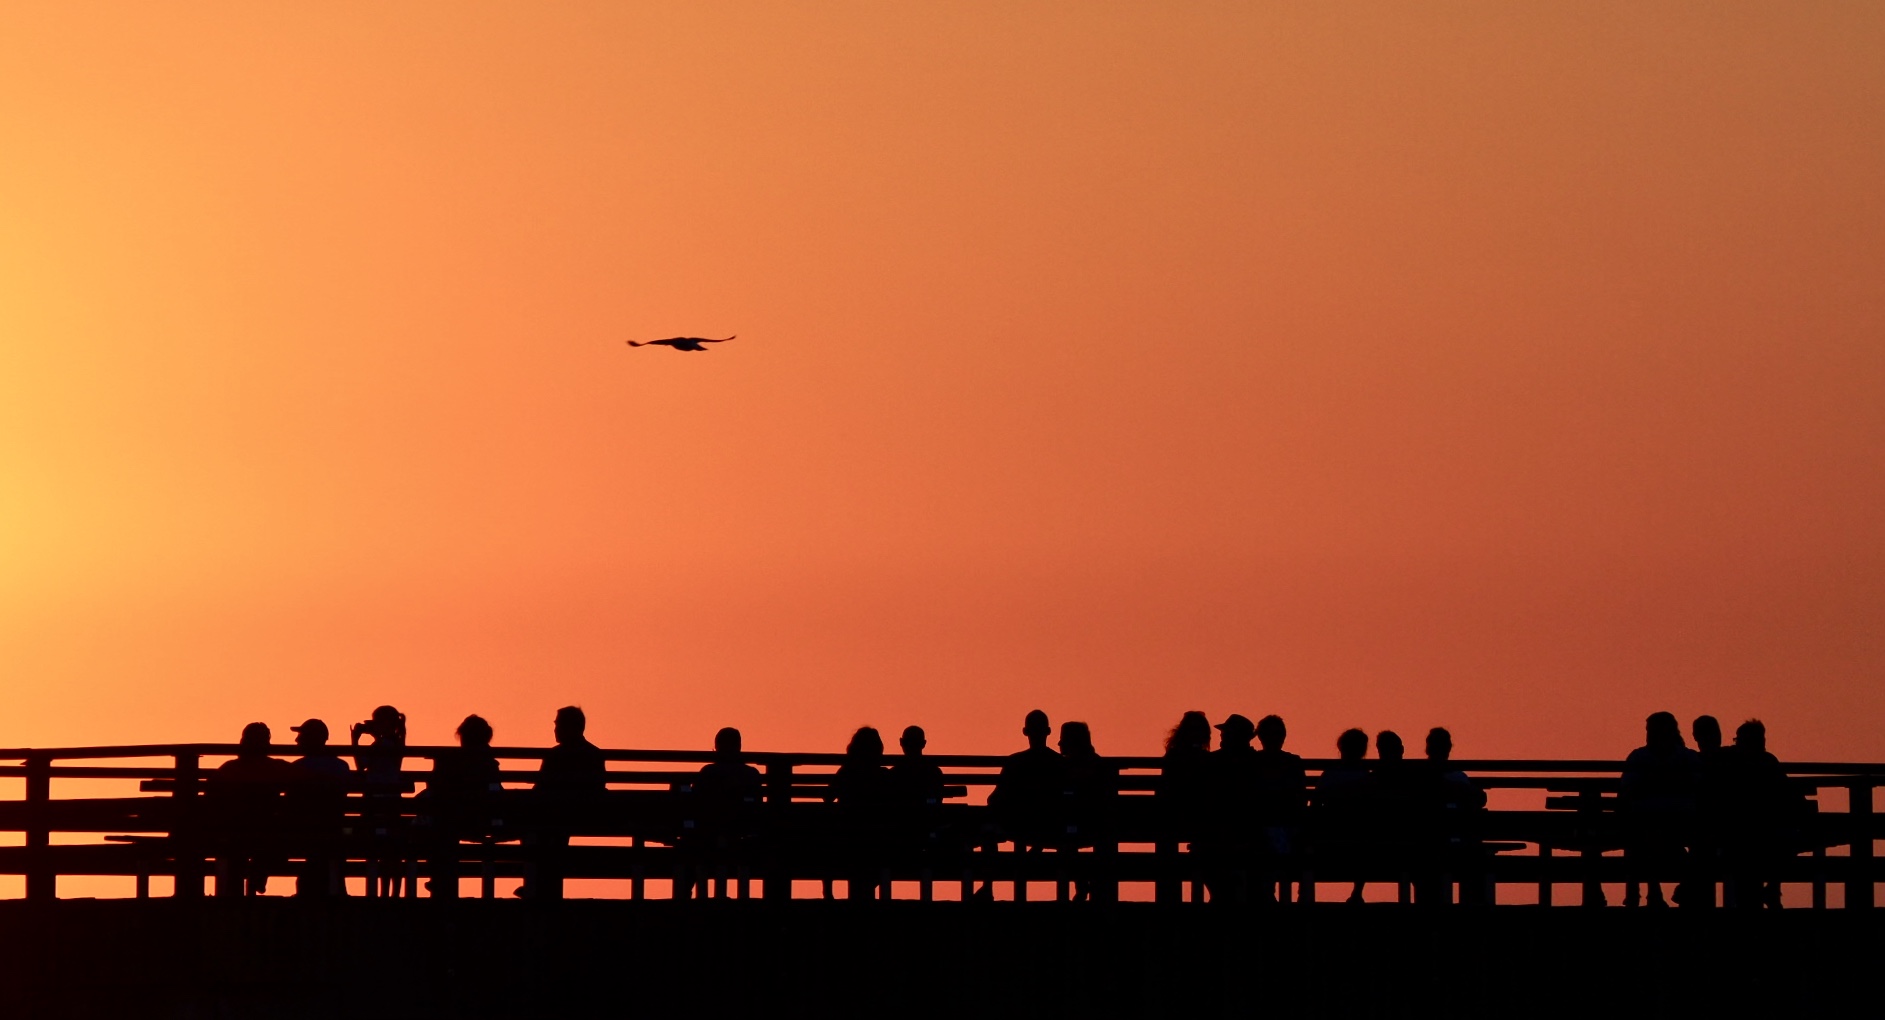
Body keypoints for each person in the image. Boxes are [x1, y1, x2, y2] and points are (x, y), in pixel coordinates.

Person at [523, 706, 608, 899]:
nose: (555, 729)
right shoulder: (594, 754)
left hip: (557, 814)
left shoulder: (555, 755)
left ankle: (538, 887)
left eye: (557, 724)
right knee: (552, 837)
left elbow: (541, 791)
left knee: (538, 831)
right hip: (587, 815)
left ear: (569, 727)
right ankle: (543, 887)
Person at [1620, 711, 1701, 908]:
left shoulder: (1684, 757)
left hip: (1674, 820)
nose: (1650, 734)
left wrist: (1651, 783)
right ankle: (1659, 891)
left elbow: (1700, 786)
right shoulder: (1685, 757)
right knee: (1647, 837)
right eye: (1649, 730)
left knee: (1646, 840)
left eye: (1653, 730)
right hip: (1662, 820)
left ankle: (1649, 893)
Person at [1717, 719, 1802, 908]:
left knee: (1770, 846)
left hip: (1758, 832)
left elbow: (1785, 796)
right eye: (1737, 740)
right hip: (1745, 834)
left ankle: (1768, 892)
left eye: (1740, 741)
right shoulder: (1736, 761)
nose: (1737, 744)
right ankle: (1769, 892)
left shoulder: (1764, 762)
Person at [421, 715, 503, 899]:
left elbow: (438, 787)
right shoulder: (490, 762)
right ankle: (440, 879)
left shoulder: (459, 761)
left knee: (436, 826)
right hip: (484, 817)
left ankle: (440, 880)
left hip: (461, 820)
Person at [209, 722, 296, 896]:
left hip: (234, 833)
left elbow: (211, 798)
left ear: (243, 742)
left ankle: (233, 893)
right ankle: (258, 874)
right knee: (273, 839)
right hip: (267, 832)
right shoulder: (276, 767)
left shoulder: (229, 769)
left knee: (235, 849)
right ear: (267, 744)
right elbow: (305, 780)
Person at [682, 726, 764, 900]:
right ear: (739, 747)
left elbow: (696, 803)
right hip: (743, 834)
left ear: (717, 747)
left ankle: (684, 895)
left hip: (708, 835)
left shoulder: (708, 772)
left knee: (688, 848)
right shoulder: (751, 774)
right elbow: (758, 806)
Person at [288, 719, 350, 898]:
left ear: (311, 739)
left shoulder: (298, 767)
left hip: (304, 829)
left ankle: (309, 890)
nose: (297, 741)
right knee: (328, 848)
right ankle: (334, 889)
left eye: (301, 735)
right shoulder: (341, 765)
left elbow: (291, 802)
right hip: (336, 827)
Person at [1249, 715, 1307, 903]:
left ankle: (1269, 896)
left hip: (1274, 826)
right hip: (1272, 827)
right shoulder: (1292, 762)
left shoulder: (1253, 761)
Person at [1059, 721, 1117, 902]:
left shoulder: (1066, 768)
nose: (1059, 745)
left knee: (1066, 836)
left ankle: (1082, 885)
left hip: (1077, 826)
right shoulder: (1098, 765)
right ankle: (1090, 886)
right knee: (1068, 834)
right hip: (1099, 826)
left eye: (1062, 741)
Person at [1314, 727, 1374, 903]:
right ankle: (1357, 892)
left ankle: (1305, 894)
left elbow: (1317, 802)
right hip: (1355, 830)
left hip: (1332, 829)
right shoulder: (1365, 775)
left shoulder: (1331, 773)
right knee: (1365, 838)